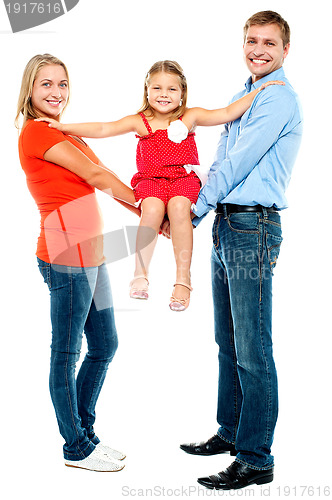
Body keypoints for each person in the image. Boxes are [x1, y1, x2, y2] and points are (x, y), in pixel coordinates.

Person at [36, 61, 283, 312]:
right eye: (157, 88)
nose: (164, 94)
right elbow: (103, 128)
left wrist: (259, 92)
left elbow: (227, 112)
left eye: (171, 89)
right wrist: (65, 127)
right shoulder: (140, 121)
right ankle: (140, 273)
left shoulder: (190, 116)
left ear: (182, 93)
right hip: (151, 181)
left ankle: (182, 279)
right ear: (147, 91)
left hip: (182, 180)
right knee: (152, 209)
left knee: (179, 208)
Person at [179, 11, 303, 490]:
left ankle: (255, 458)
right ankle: (230, 432)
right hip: (228, 224)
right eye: (252, 40)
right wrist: (200, 205)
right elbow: (220, 159)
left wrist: (193, 210)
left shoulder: (277, 98)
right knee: (227, 342)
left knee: (254, 347)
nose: (259, 49)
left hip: (252, 226)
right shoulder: (241, 95)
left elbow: (238, 159)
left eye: (269, 43)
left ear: (285, 50)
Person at [16, 54, 140, 472]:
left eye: (62, 84)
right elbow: (99, 178)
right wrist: (150, 214)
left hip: (93, 256)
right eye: (46, 84)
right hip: (65, 258)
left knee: (105, 345)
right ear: (30, 90)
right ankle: (76, 448)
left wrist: (147, 215)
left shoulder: (66, 134)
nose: (56, 92)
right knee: (66, 353)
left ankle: (84, 433)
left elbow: (102, 171)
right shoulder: (36, 133)